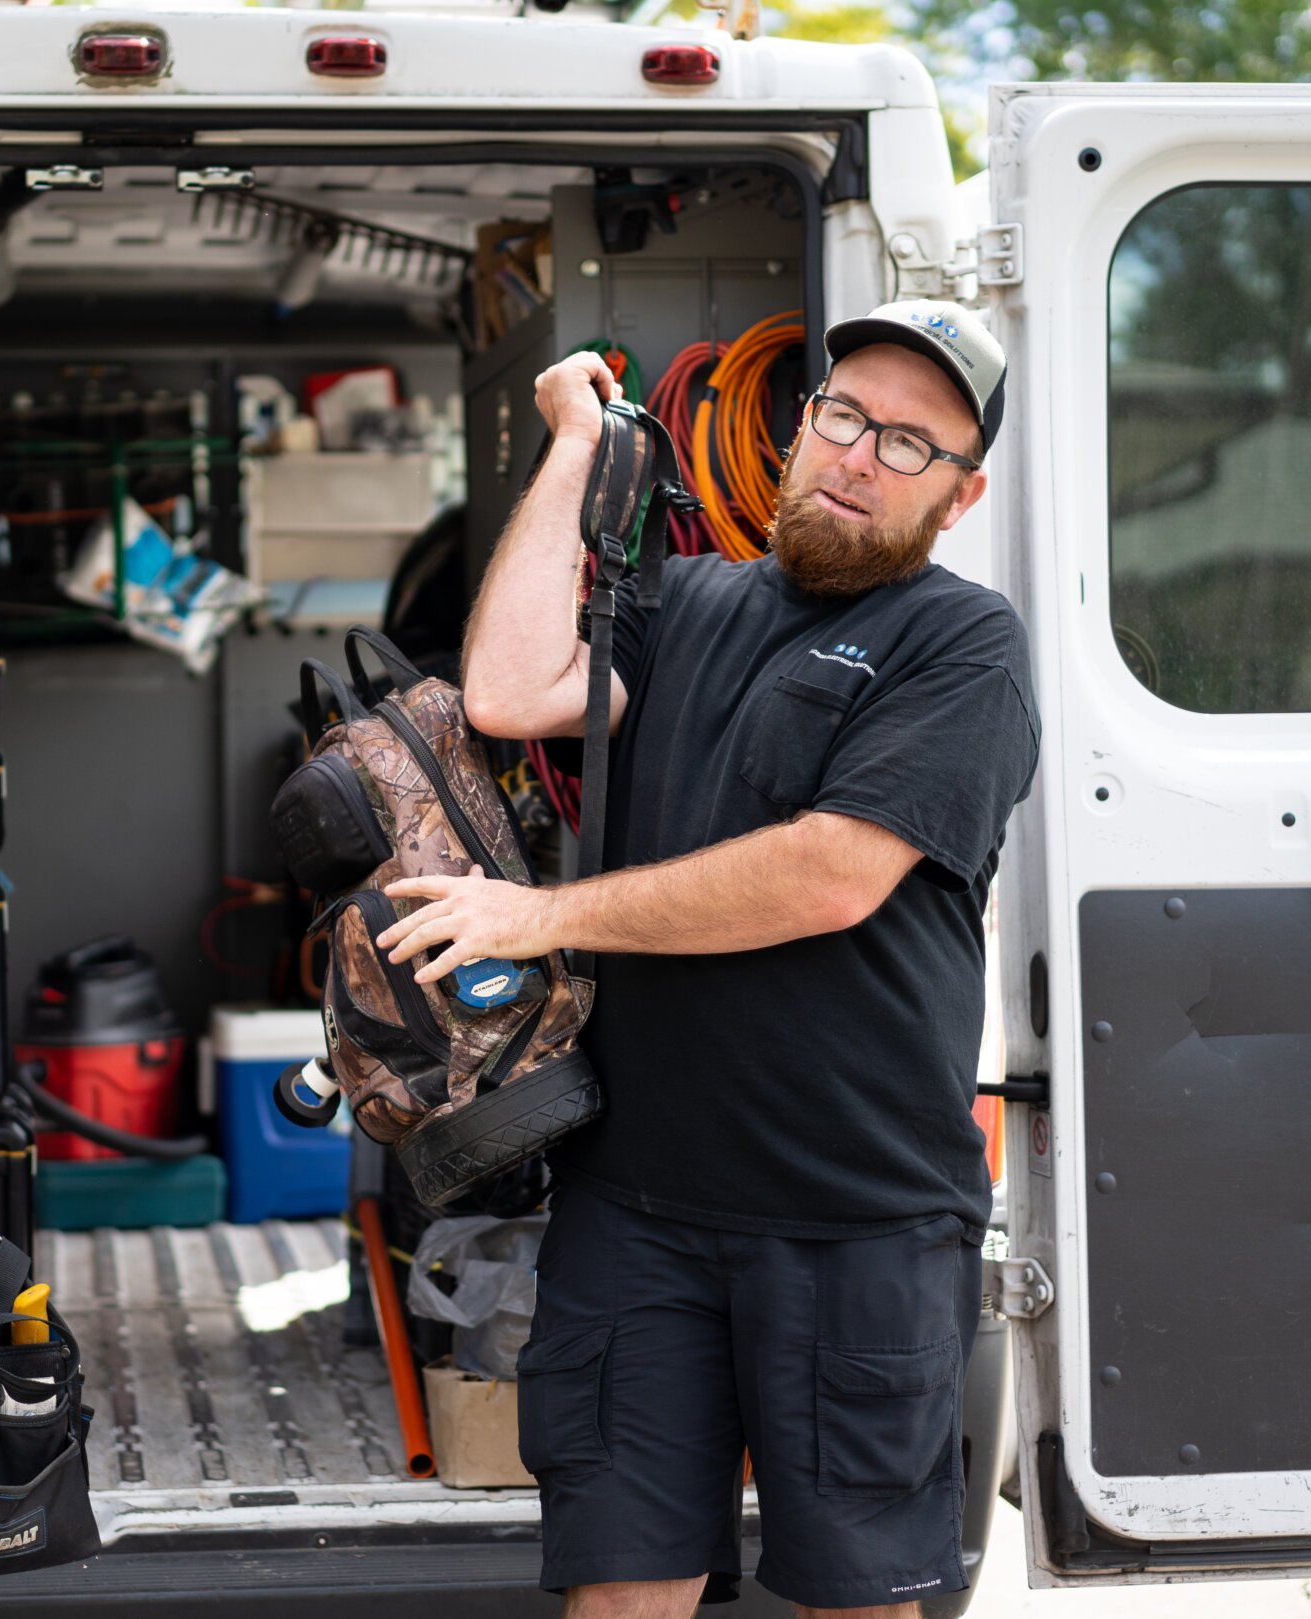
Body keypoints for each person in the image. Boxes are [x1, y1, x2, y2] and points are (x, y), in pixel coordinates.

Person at [382, 300, 1040, 1618]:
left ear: (957, 496)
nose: (859, 455)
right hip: (636, 1210)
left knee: (859, 1598)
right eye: (844, 415)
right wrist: (572, 448)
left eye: (910, 444)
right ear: (802, 430)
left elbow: (830, 871)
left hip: (855, 1218)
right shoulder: (683, 600)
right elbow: (506, 690)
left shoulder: (963, 645)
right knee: (619, 1590)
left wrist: (544, 915)